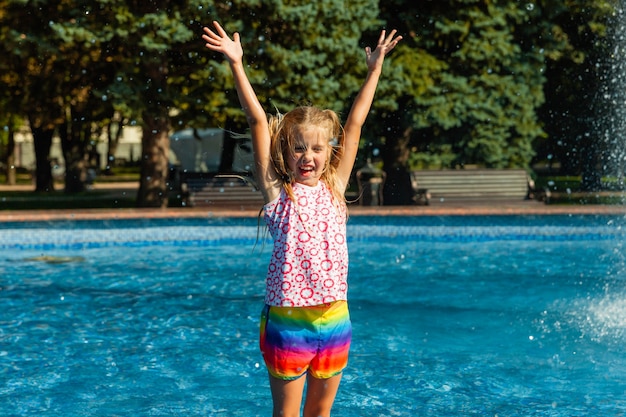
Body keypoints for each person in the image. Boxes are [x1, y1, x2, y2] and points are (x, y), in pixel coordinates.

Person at [202, 21, 401, 417]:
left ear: (328, 153)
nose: (307, 156)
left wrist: (374, 69)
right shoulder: (278, 194)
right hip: (289, 322)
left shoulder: (335, 189)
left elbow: (357, 122)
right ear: (285, 151)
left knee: (320, 414)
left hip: (335, 318)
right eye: (297, 148)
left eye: (315, 148)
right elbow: (259, 121)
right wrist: (236, 64)